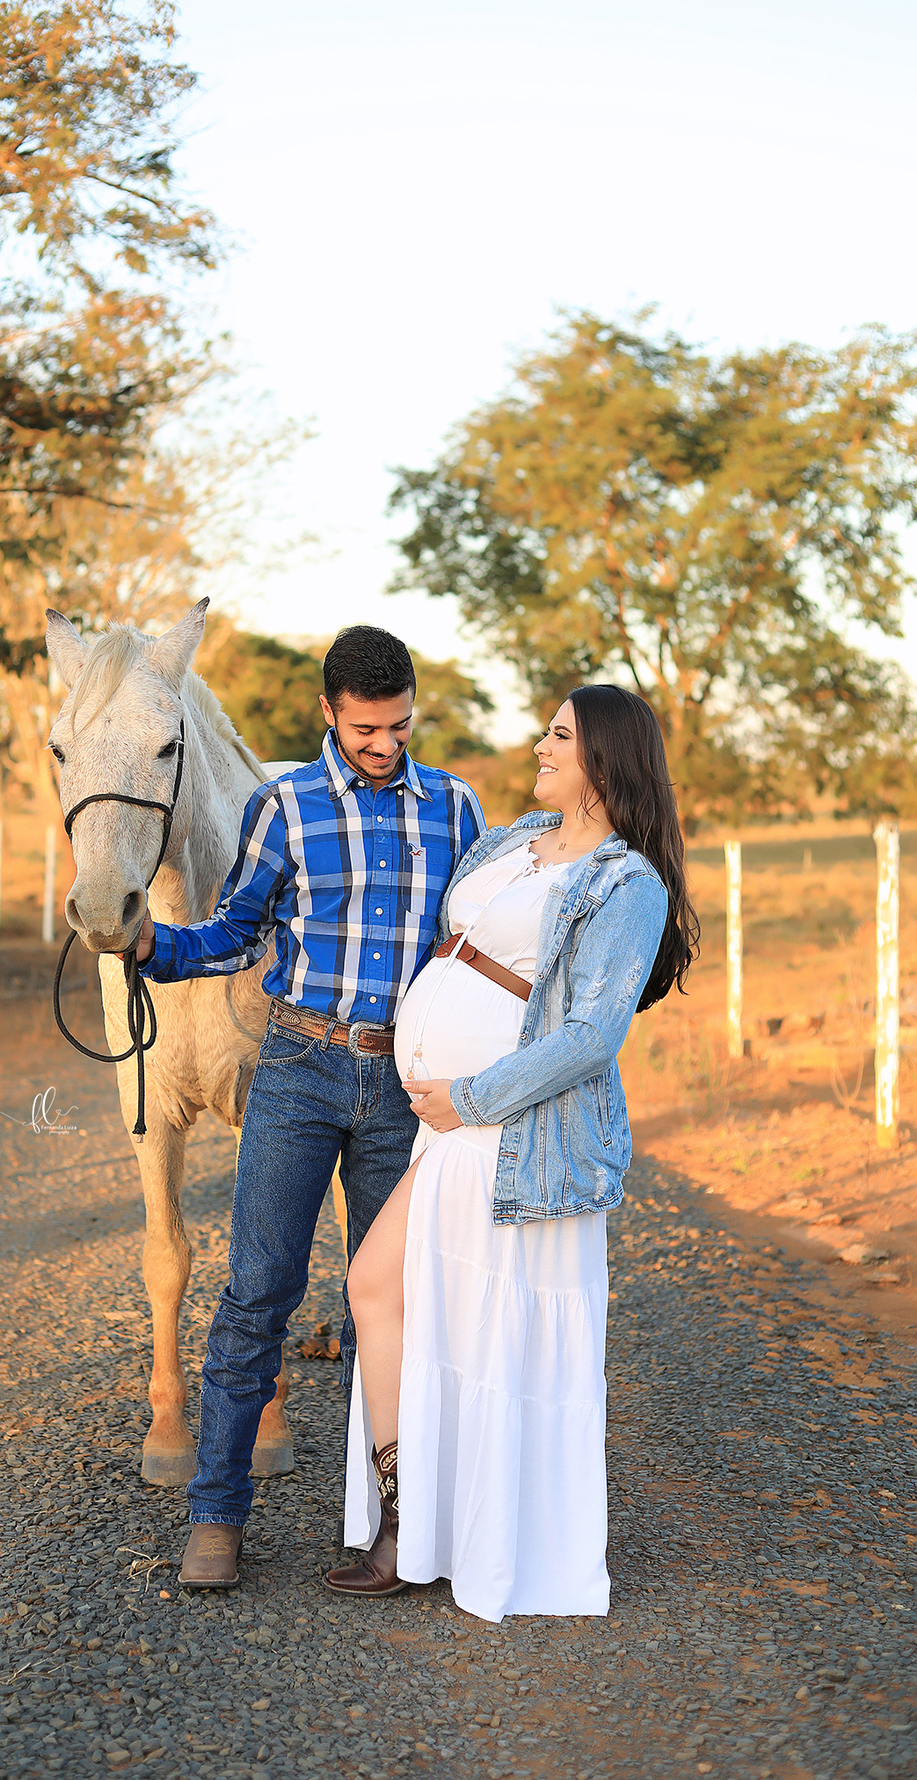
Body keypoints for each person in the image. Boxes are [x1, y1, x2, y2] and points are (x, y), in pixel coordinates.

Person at [326, 684, 699, 1620]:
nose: (541, 743)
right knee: (380, 1289)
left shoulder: (627, 883)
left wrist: (473, 1095)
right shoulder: (513, 839)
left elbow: (592, 1032)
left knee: (483, 1330)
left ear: (605, 758)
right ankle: (414, 1516)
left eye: (561, 735)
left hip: (511, 1127)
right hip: (446, 1121)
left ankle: (465, 1537)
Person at [135, 624, 487, 1588]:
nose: (386, 744)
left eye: (401, 726)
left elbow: (485, 940)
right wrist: (148, 949)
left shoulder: (456, 808)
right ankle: (216, 1518)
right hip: (298, 1069)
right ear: (328, 713)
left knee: (396, 1308)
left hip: (404, 1090)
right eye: (367, 727)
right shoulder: (281, 807)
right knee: (257, 1295)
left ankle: (402, 1524)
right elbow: (231, 934)